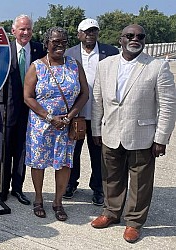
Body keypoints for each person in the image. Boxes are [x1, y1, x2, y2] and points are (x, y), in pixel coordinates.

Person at [90, 24, 176, 243]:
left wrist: (161, 138)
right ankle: (111, 212)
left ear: (144, 40)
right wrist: (97, 129)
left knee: (140, 182)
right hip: (111, 132)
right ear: (121, 39)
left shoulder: (157, 66)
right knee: (110, 177)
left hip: (142, 135)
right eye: (130, 35)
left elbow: (168, 105)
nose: (135, 39)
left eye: (140, 36)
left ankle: (134, 222)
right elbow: (98, 101)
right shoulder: (105, 65)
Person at [23, 26, 89, 221]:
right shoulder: (37, 66)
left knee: (64, 163)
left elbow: (84, 93)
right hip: (41, 124)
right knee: (38, 162)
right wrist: (49, 117)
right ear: (46, 44)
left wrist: (70, 116)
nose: (60, 45)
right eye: (55, 42)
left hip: (66, 125)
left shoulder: (75, 65)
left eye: (63, 42)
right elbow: (28, 97)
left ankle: (58, 202)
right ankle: (38, 199)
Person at [0, 14, 46, 205]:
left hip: (31, 109)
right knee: (5, 149)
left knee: (22, 150)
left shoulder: (39, 50)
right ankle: (3, 188)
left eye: (29, 29)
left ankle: (18, 189)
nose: (26, 32)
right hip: (7, 107)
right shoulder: (4, 51)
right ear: (13, 31)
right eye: (22, 29)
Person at [63, 18, 118, 206]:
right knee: (73, 153)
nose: (90, 34)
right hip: (76, 113)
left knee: (98, 154)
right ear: (79, 34)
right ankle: (70, 184)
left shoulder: (110, 53)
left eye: (94, 31)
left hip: (99, 115)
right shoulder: (69, 53)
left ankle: (98, 189)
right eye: (86, 31)